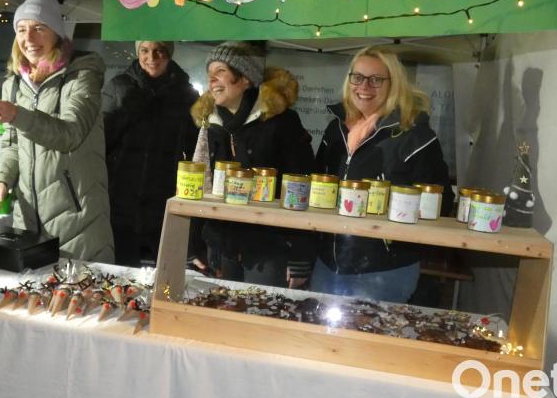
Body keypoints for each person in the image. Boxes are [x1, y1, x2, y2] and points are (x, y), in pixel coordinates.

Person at [313, 46, 454, 303]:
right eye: (357, 77)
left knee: (369, 342)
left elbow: (440, 205)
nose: (364, 86)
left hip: (383, 270)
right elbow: (317, 185)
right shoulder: (336, 131)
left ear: (394, 85)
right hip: (327, 263)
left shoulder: (416, 137)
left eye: (376, 80)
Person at [0, 0, 113, 262]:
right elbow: (12, 145)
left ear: (57, 33)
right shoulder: (14, 83)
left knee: (81, 297)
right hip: (27, 218)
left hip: (77, 220)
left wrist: (16, 114)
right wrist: (2, 179)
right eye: (21, 30)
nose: (28, 39)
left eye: (39, 28)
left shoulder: (82, 75)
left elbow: (71, 133)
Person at [192, 42, 314, 287]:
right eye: (209, 74)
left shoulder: (282, 122)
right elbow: (198, 184)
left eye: (220, 71)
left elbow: (302, 186)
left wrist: (301, 255)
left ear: (246, 77)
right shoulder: (210, 123)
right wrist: (192, 246)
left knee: (263, 318)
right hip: (221, 246)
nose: (212, 80)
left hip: (268, 248)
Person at [102, 41, 199, 266]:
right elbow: (101, 140)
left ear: (169, 54)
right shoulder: (118, 86)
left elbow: (195, 149)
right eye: (144, 50)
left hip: (164, 200)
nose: (152, 57)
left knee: (165, 277)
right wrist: (127, 113)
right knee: (120, 275)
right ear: (137, 53)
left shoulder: (186, 94)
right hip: (120, 199)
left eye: (159, 50)